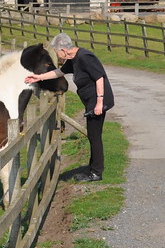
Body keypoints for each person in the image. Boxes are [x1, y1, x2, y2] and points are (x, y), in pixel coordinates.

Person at [24, 32, 113, 182]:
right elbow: (59, 72)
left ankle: (96, 172)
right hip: (91, 100)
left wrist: (99, 103)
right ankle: (92, 168)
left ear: (64, 50)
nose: (58, 56)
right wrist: (39, 77)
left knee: (94, 136)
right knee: (93, 135)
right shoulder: (73, 59)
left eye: (57, 53)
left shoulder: (85, 57)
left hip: (97, 100)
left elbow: (99, 78)